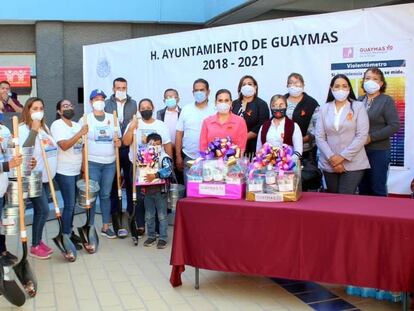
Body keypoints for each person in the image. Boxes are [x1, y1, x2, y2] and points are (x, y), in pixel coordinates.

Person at [123, 98, 172, 239]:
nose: (145, 110)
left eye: (148, 107)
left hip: (156, 169)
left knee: (156, 197)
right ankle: (140, 225)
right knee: (138, 198)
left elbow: (167, 145)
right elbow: (126, 142)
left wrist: (169, 163)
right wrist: (132, 127)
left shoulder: (161, 125)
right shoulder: (134, 124)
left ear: (153, 107)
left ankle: (157, 227)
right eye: (142, 108)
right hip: (138, 168)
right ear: (139, 110)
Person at [315, 74, 370, 194]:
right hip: (330, 163)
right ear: (331, 89)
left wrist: (342, 157)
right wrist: (332, 158)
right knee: (332, 198)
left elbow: (362, 135)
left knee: (345, 198)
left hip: (353, 162)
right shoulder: (323, 108)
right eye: (337, 86)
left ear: (349, 89)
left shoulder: (358, 107)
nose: (341, 89)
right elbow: (319, 137)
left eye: (344, 86)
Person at [79, 89, 121, 239]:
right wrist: (84, 167)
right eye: (96, 99)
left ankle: (105, 226)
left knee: (105, 195)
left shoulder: (112, 118)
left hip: (110, 163)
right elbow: (82, 145)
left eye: (101, 98)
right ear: (91, 102)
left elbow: (119, 140)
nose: (99, 101)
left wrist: (118, 142)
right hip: (92, 163)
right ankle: (89, 227)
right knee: (91, 196)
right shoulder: (85, 119)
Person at [20, 97, 58, 259]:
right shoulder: (23, 129)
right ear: (28, 111)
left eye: (40, 108)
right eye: (34, 108)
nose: (38, 111)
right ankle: (35, 245)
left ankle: (37, 241)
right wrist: (34, 131)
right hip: (32, 177)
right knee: (43, 209)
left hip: (45, 177)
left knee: (40, 210)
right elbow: (24, 150)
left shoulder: (45, 128)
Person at [51, 99, 88, 250]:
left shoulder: (77, 125)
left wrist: (84, 169)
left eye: (70, 105)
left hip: (75, 170)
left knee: (72, 205)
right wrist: (80, 133)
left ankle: (69, 231)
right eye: (65, 106)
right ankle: (65, 235)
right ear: (59, 111)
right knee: (69, 204)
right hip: (63, 170)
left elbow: (83, 147)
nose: (69, 108)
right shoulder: (57, 125)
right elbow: (64, 145)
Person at [357, 67, 400, 196]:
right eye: (367, 78)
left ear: (381, 83)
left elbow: (394, 125)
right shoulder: (358, 100)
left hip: (379, 151)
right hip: (359, 151)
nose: (370, 81)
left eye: (375, 79)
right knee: (362, 187)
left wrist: (371, 137)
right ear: (363, 81)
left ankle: (380, 215)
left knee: (377, 188)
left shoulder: (386, 100)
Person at [104, 77, 137, 237]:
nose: (121, 90)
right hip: (113, 148)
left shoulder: (133, 104)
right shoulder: (106, 104)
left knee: (131, 182)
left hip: (128, 148)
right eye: (118, 87)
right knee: (114, 183)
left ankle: (131, 214)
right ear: (113, 88)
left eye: (124, 87)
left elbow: (133, 124)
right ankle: (115, 215)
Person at [175, 79, 215, 185]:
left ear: (208, 91)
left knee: (209, 190)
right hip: (189, 157)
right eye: (196, 90)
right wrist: (178, 156)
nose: (199, 92)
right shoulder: (186, 109)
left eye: (202, 90)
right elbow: (179, 133)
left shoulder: (215, 109)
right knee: (190, 192)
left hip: (211, 159)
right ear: (193, 93)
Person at [285, 73, 321, 190]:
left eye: (297, 83)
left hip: (306, 151)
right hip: (284, 151)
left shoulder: (311, 103)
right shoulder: (281, 100)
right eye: (291, 83)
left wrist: (300, 140)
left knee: (303, 182)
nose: (294, 86)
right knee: (285, 182)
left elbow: (317, 128)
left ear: (303, 85)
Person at [140, 133, 172, 249]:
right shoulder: (143, 156)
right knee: (149, 215)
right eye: (152, 145)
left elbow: (168, 171)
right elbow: (139, 172)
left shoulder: (164, 157)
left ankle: (163, 237)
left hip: (160, 191)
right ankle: (151, 236)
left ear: (161, 144)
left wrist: (156, 175)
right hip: (147, 190)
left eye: (157, 145)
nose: (155, 147)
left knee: (162, 215)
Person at [0, 117, 22, 265]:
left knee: (2, 224)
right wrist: (8, 165)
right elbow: (6, 163)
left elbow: (6, 155)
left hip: (2, 187)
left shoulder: (3, 130)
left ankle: (2, 251)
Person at [232, 75, 269, 159]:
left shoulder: (261, 104)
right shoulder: (234, 104)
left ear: (255, 87)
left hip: (253, 147)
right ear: (240, 88)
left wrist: (243, 137)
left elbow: (262, 125)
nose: (247, 86)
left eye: (250, 84)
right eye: (244, 84)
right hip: (234, 146)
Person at [256, 95, 303, 159]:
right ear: (270, 108)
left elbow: (298, 151)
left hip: (288, 166)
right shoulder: (264, 126)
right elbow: (259, 149)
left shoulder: (294, 126)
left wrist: (286, 162)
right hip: (267, 166)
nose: (278, 108)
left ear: (286, 106)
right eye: (274, 105)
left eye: (281, 105)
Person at [157, 88, 182, 184]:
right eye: (167, 97)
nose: (169, 99)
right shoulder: (160, 113)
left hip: (179, 150)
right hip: (165, 151)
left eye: (172, 97)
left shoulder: (183, 112)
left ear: (178, 99)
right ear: (164, 101)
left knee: (180, 178)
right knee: (167, 177)